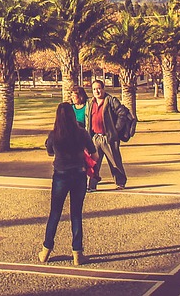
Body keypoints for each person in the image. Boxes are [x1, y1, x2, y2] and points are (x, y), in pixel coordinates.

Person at [39, 101, 97, 267]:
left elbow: (50, 152)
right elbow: (95, 155)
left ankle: (46, 250)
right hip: (79, 175)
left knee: (55, 213)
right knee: (76, 214)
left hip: (61, 175)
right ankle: (77, 253)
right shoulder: (82, 133)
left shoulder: (54, 135)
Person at [84, 78, 131, 191]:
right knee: (94, 162)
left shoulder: (110, 100)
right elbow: (87, 120)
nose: (97, 91)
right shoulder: (90, 102)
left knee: (114, 161)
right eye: (94, 89)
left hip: (108, 137)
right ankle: (91, 185)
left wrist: (116, 130)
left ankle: (120, 183)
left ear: (103, 89)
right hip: (95, 137)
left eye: (99, 88)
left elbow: (122, 114)